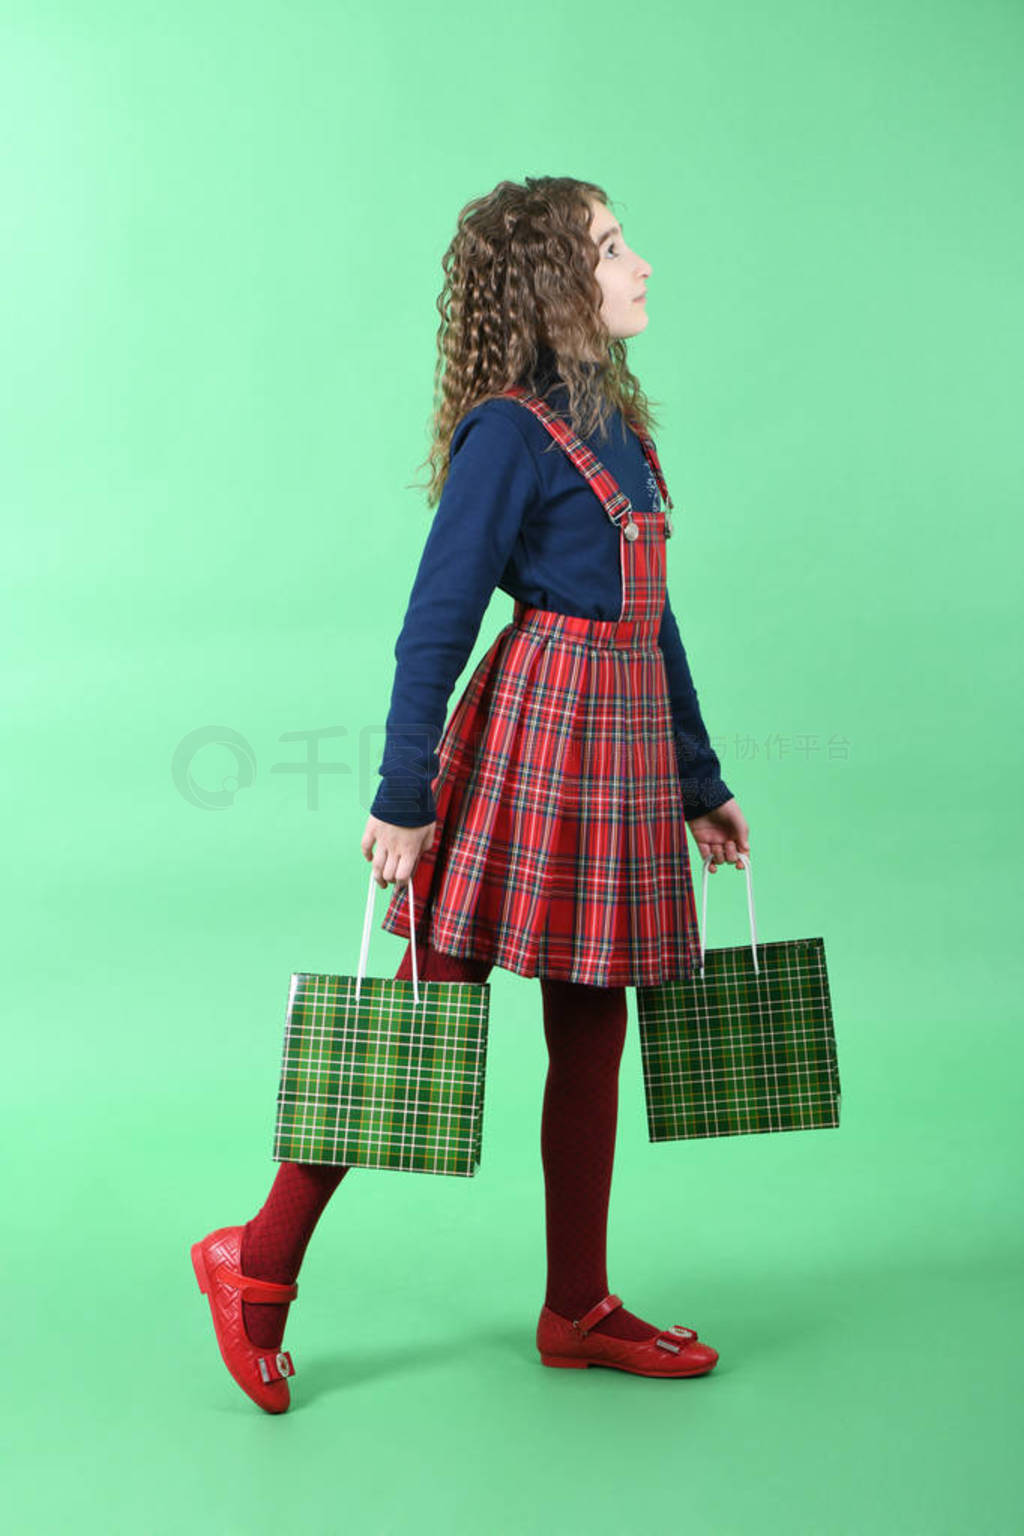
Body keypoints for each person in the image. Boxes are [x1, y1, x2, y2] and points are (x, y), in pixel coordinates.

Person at [190, 175, 751, 1413]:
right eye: (613, 247)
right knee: (428, 1006)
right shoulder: (507, 431)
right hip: (530, 748)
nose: (641, 263)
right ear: (558, 281)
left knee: (592, 1018)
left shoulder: (620, 428)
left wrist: (698, 785)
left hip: (619, 757)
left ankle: (576, 1308)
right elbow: (435, 620)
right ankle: (255, 1264)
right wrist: (404, 798)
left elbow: (653, 626)